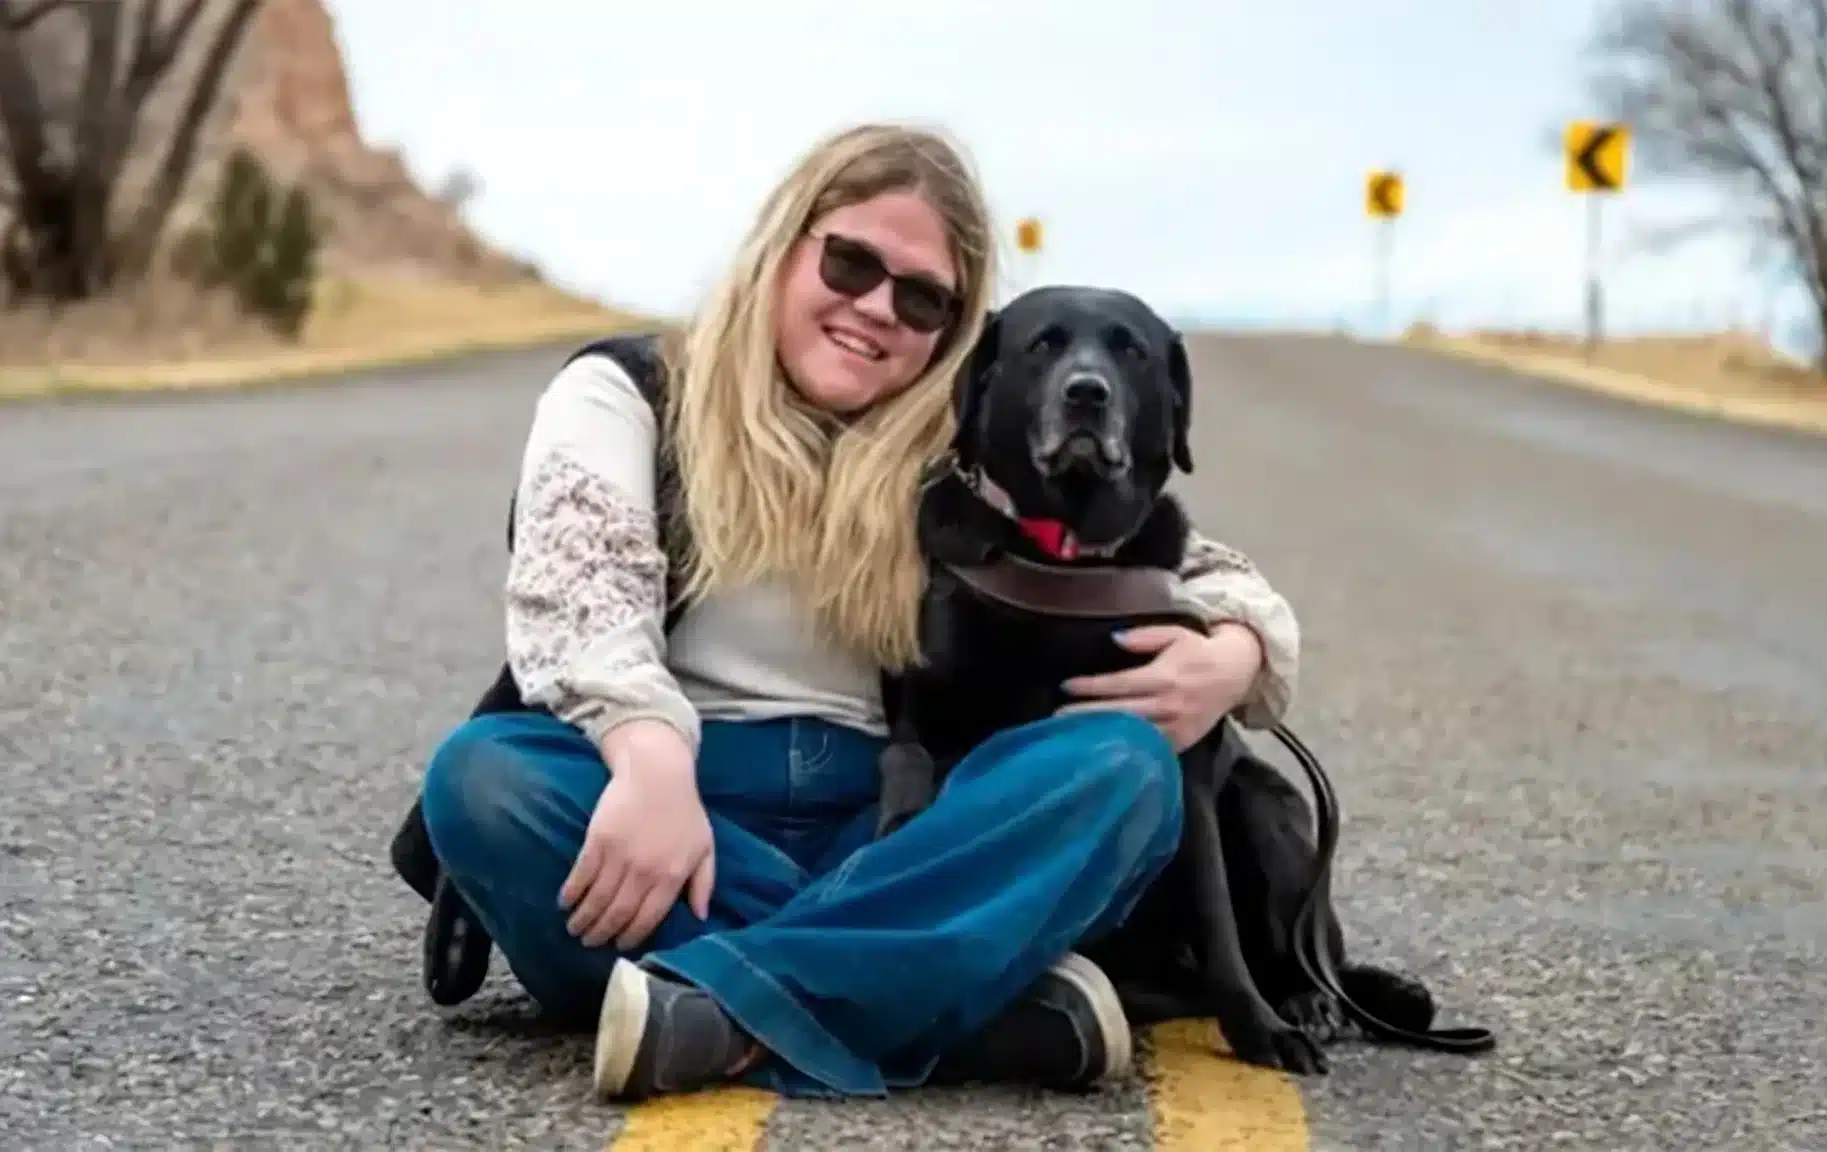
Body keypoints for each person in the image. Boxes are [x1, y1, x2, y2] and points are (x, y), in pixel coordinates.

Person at [417, 122, 1306, 1103]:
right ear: (783, 244)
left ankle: (708, 1010)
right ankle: (959, 997)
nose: (874, 309)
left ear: (950, 331)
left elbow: (1185, 561)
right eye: (849, 263)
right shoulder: (626, 393)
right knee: (484, 780)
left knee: (1120, 773)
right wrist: (648, 759)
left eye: (920, 298)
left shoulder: (961, 442)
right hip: (670, 803)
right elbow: (574, 598)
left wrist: (1237, 648)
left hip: (893, 826)